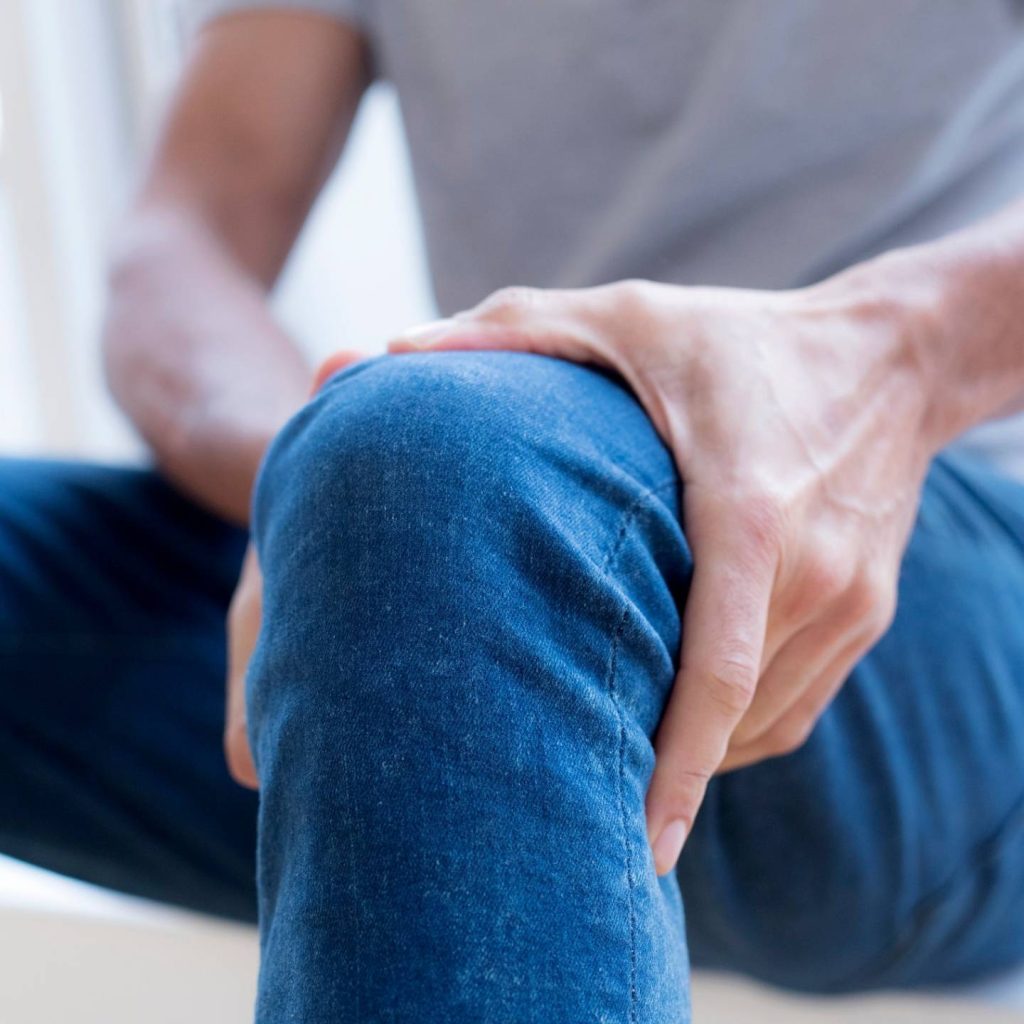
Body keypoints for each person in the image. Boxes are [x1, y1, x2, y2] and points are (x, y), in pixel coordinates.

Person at [3, 1, 1024, 1019]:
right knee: (419, 475)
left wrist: (895, 355)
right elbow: (187, 239)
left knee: (433, 473)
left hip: (948, 543)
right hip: (492, 571)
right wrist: (313, 477)